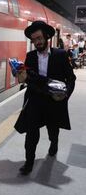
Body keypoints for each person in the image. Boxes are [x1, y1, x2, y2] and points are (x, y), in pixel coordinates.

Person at [15, 21, 76, 175]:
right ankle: (29, 163)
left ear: (47, 37)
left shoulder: (61, 55)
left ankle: (54, 143)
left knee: (52, 130)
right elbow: (27, 78)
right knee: (31, 134)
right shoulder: (30, 56)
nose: (37, 42)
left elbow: (71, 78)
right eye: (34, 39)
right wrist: (20, 76)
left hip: (53, 101)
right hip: (35, 100)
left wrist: (65, 95)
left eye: (40, 38)